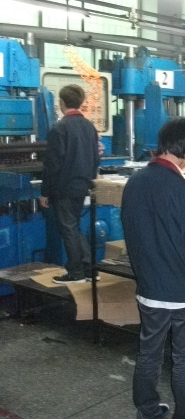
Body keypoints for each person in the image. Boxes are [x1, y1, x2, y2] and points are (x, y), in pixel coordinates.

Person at [121, 118, 185, 419]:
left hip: (149, 286)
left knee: (149, 352)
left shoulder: (135, 182)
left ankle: (147, 409)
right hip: (183, 291)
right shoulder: (182, 189)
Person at [39, 84, 100, 284]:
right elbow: (95, 158)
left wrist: (45, 192)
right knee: (74, 226)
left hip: (64, 187)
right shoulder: (89, 127)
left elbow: (53, 164)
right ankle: (89, 270)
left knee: (68, 229)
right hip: (83, 185)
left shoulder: (59, 128)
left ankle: (76, 273)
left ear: (61, 103)